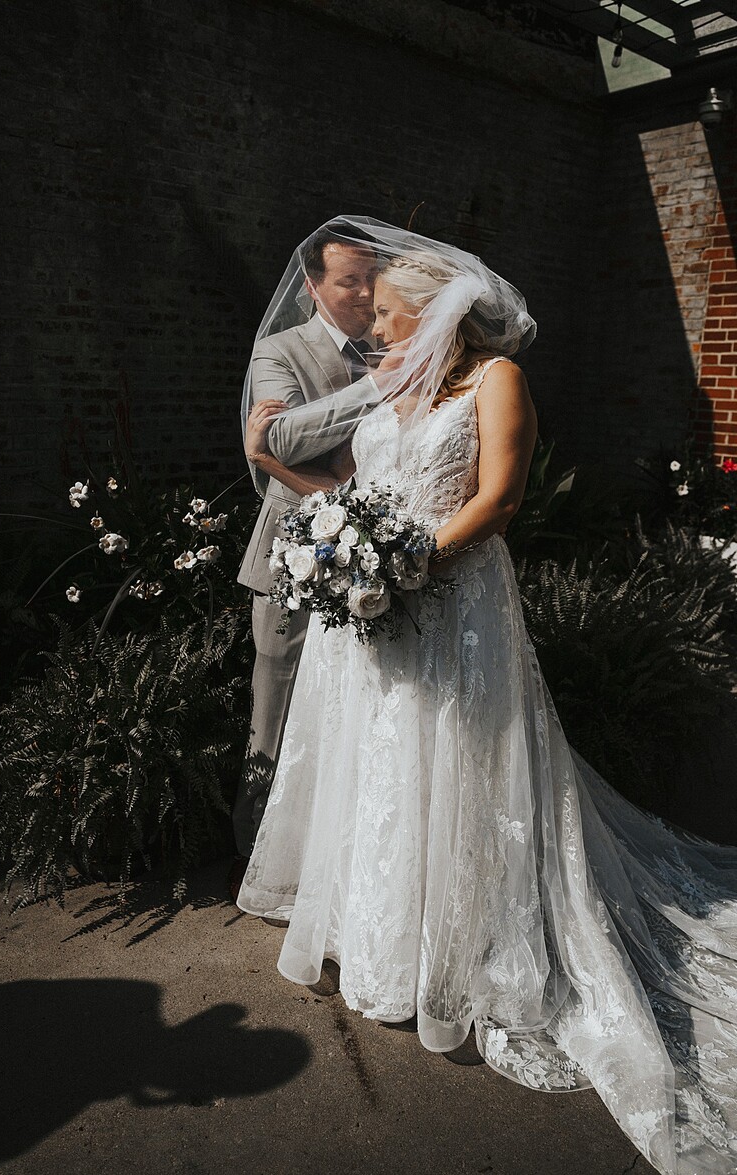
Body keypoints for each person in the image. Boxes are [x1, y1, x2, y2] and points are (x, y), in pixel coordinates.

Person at [237, 217, 737, 1175]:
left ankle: (462, 951)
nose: (375, 328)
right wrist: (316, 516)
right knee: (382, 765)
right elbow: (348, 481)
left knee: (456, 760)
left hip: (454, 605)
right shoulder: (395, 383)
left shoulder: (497, 381)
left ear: (435, 315)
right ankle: (378, 939)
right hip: (378, 615)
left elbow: (498, 501)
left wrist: (407, 561)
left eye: (389, 314)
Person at [231, 222, 381, 889]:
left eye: (372, 279)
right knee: (276, 708)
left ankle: (327, 864)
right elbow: (283, 440)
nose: (366, 293)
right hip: (291, 560)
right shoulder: (279, 349)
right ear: (314, 288)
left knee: (350, 714)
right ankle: (253, 857)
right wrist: (377, 389)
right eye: (350, 282)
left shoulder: (393, 345)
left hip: (373, 561)